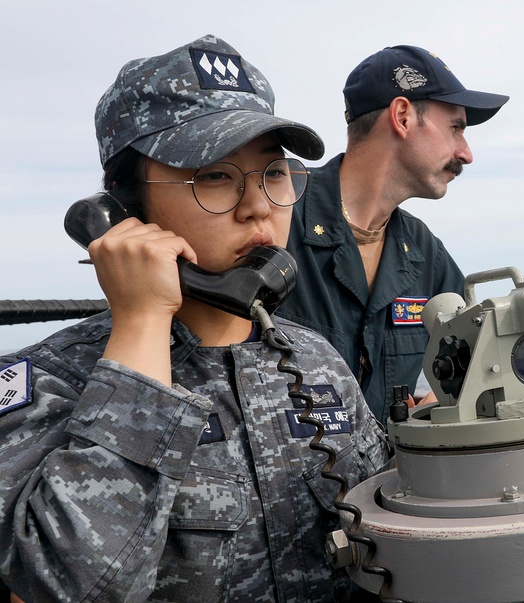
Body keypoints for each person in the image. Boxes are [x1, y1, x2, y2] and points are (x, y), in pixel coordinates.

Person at [0, 35, 389, 602]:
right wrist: (141, 325)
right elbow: (65, 588)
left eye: (274, 174)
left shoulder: (313, 362)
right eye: (214, 176)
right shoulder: (47, 385)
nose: (258, 206)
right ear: (126, 210)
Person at [277, 45, 509, 425]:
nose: (466, 154)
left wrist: (441, 402)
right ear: (402, 116)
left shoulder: (422, 250)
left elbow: (483, 351)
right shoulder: (277, 208)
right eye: (456, 127)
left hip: (385, 483)